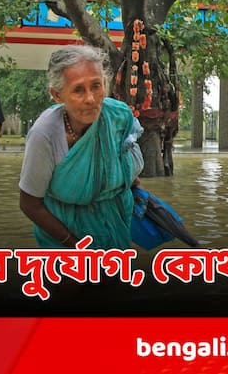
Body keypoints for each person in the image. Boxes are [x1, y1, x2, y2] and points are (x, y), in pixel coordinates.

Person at [18, 45, 144, 249]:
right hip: (65, 243)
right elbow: (29, 204)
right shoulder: (44, 135)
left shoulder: (118, 117)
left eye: (96, 85)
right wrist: (76, 246)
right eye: (78, 90)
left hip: (115, 232)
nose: (90, 99)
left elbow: (123, 166)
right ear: (57, 95)